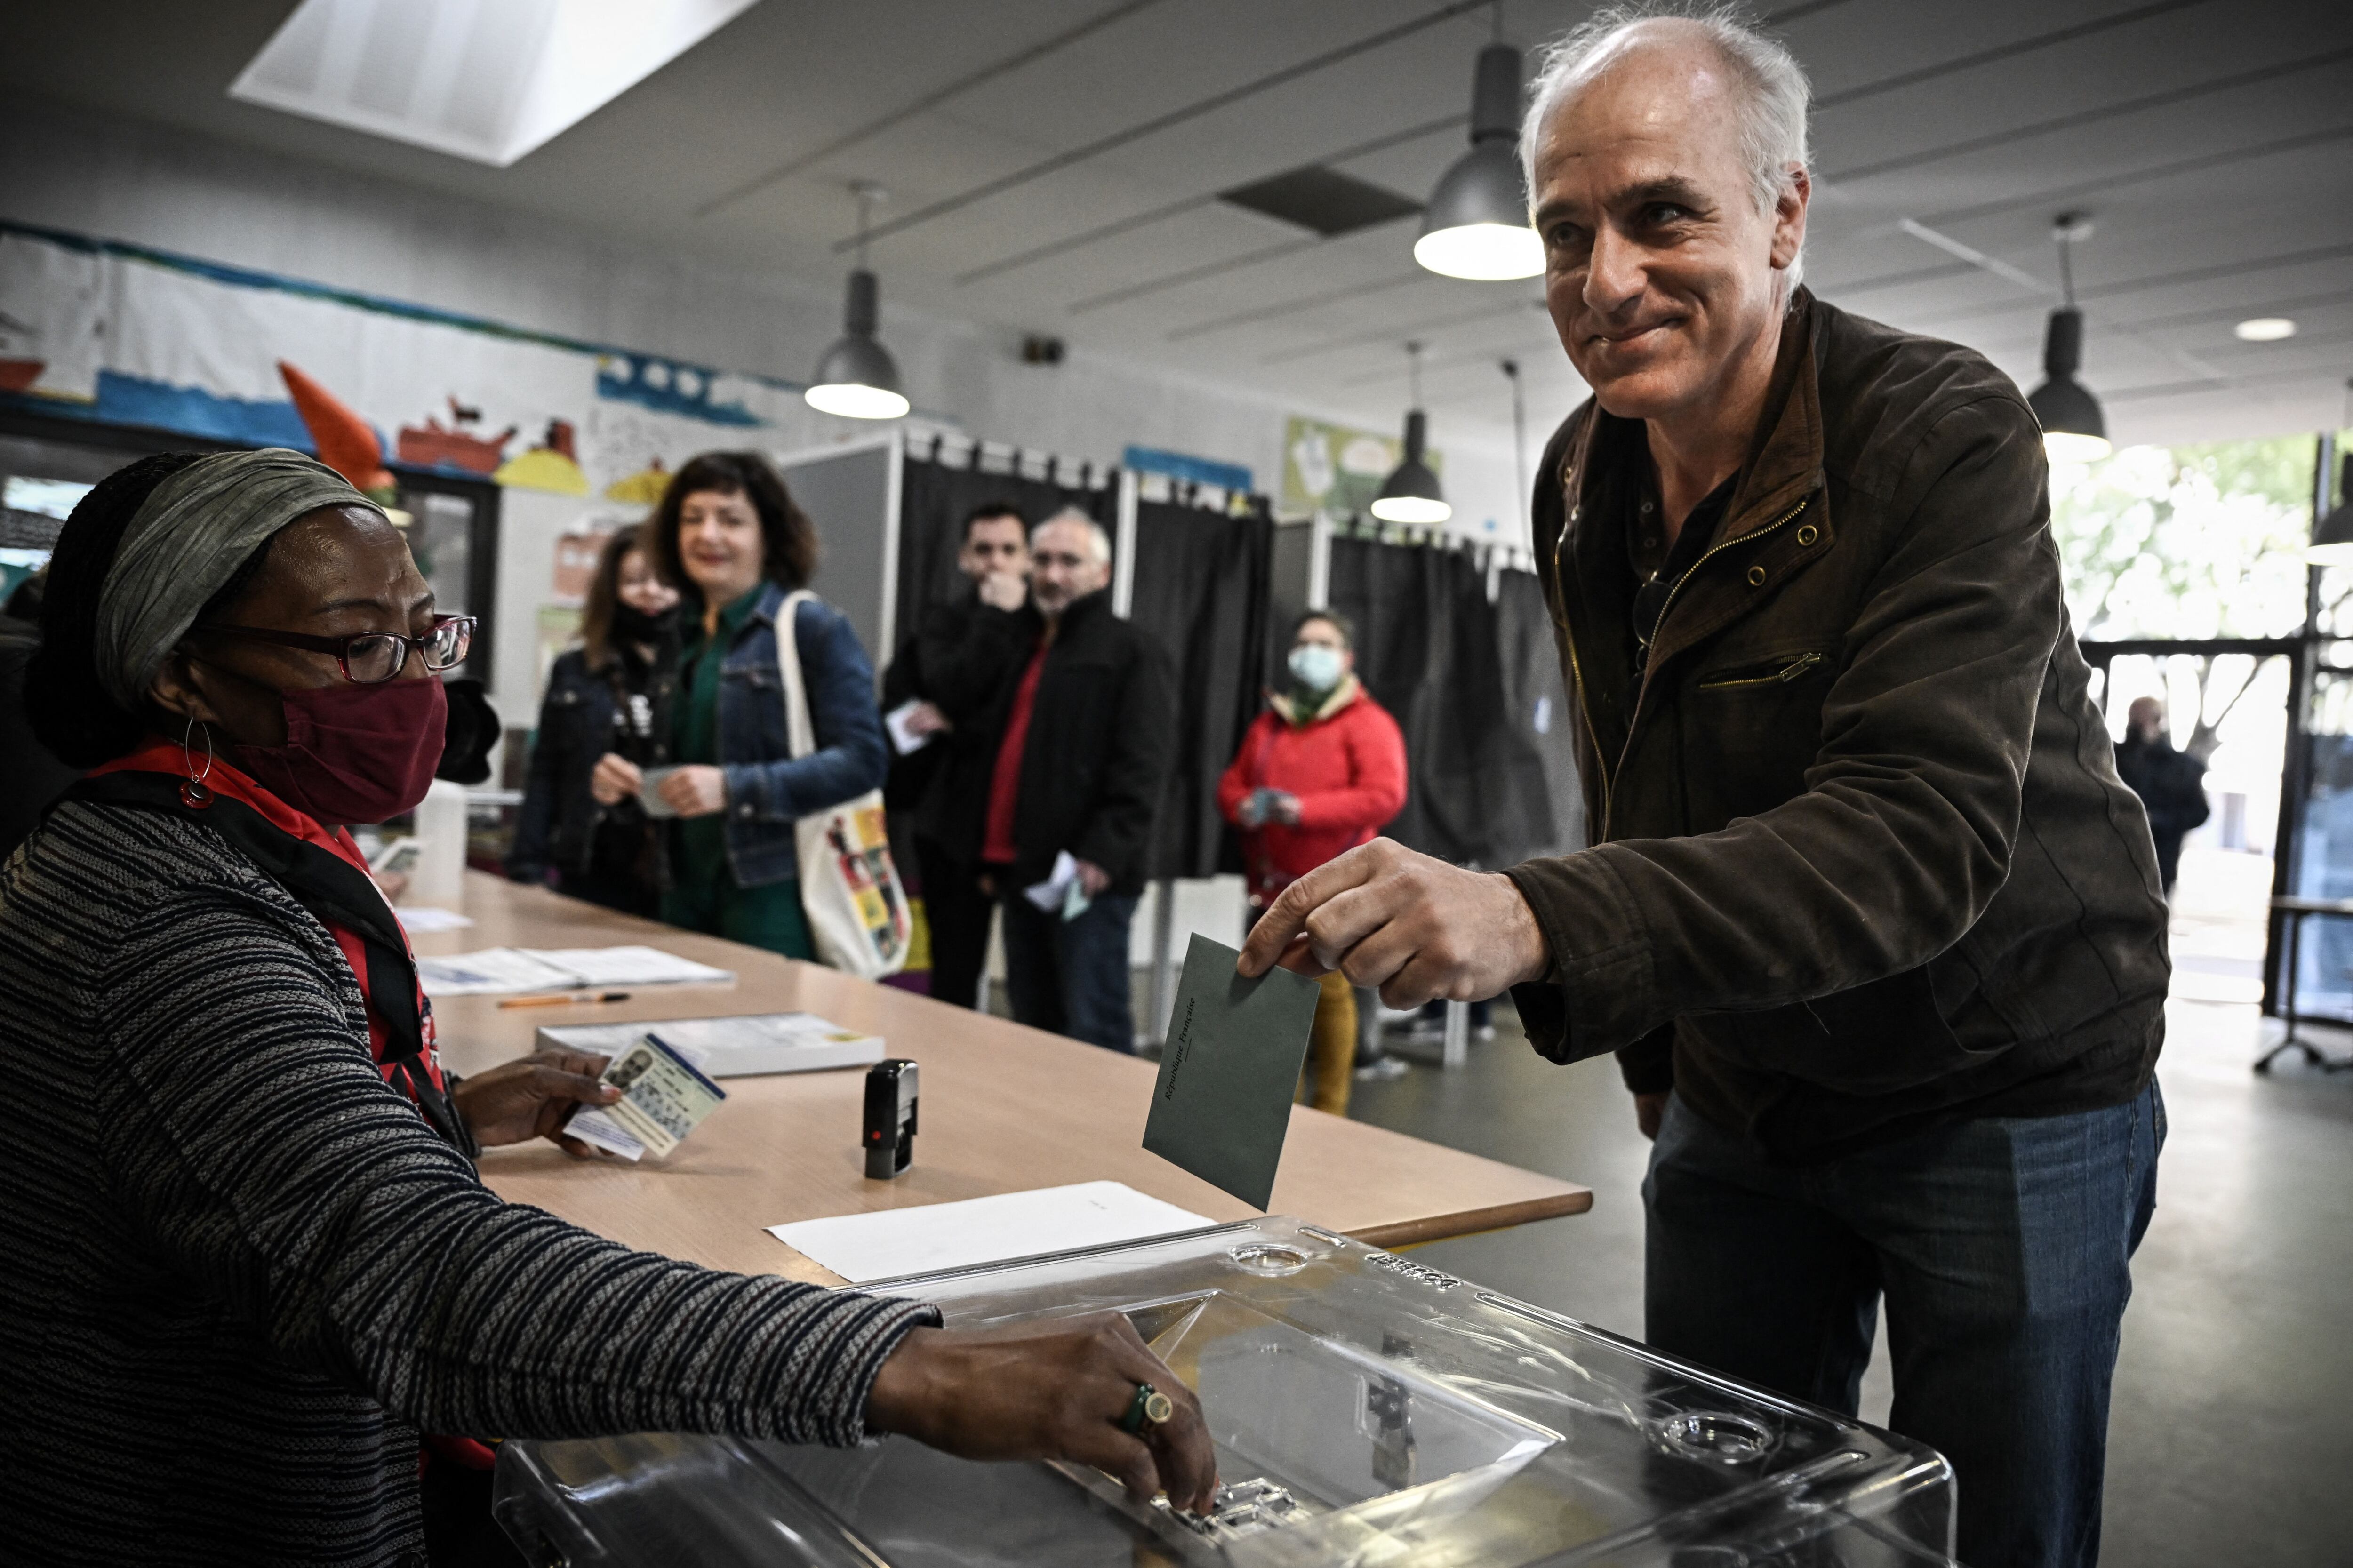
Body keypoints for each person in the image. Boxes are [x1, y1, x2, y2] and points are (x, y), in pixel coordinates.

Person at [1238, 12, 2169, 1567]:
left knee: (1999, 1526)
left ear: (1786, 214)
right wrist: (1662, 1064)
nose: (1606, 281)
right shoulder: (1586, 472)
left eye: (1664, 215)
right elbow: (1634, 769)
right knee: (1721, 1512)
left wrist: (1532, 916)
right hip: (1746, 1087)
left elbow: (1915, 838)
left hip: (2004, 1072)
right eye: (1565, 235)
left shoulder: (1939, 431)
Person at [0, 449, 1216, 1562]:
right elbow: (415, 1269)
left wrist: (440, 1118)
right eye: (361, 644)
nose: (417, 680)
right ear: (179, 667)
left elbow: (227, 1163)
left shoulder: (200, 840)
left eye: (429, 635)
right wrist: (909, 1362)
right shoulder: (166, 916)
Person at [612, 451, 888, 959]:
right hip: (680, 887)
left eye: (731, 519)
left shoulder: (812, 627)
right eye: (692, 518)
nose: (707, 534)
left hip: (774, 892)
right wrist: (633, 780)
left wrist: (733, 786)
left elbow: (863, 760)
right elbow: (692, 757)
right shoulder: (681, 636)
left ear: (769, 534)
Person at [972, 509, 1174, 1052]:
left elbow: (1144, 763)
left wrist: (1102, 856)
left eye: (1069, 561)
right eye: (1042, 560)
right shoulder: (1030, 646)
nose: (1053, 574)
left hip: (1090, 880)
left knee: (1093, 1030)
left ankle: (1104, 1140)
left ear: (1101, 573)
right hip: (1024, 872)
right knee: (1034, 1025)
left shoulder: (1132, 650)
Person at [1217, 610, 1405, 1112]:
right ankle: (1277, 1106)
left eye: (1323, 643)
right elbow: (1231, 782)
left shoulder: (1369, 723)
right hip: (1269, 887)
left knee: (1330, 998)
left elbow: (1383, 795)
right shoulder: (1270, 722)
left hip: (1335, 888)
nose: (1310, 652)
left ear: (1347, 658)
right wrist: (1241, 804)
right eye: (1303, 642)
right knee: (1270, 999)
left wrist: (1302, 811)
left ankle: (1329, 1111)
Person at [880, 501, 1037, 1007]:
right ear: (964, 558)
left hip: (1023, 821)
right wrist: (993, 617)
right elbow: (947, 686)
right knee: (953, 966)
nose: (996, 562)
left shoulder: (1044, 628)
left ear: (1027, 559)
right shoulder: (943, 619)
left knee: (1033, 971)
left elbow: (1031, 719)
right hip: (949, 821)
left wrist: (959, 723)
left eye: (1009, 550)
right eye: (984, 550)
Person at [507, 524, 680, 916]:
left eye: (665, 581)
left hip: (675, 873)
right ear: (612, 589)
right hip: (591, 862)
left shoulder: (696, 668)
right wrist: (525, 866)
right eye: (635, 581)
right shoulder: (575, 669)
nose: (651, 592)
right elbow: (545, 771)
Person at [2113, 695, 2210, 896]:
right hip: (2113, 858)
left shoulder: (2181, 767)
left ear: (2157, 721)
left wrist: (2157, 820)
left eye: (2140, 722)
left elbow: (2199, 813)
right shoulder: (2114, 758)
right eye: (2132, 721)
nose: (2134, 728)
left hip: (2158, 862)